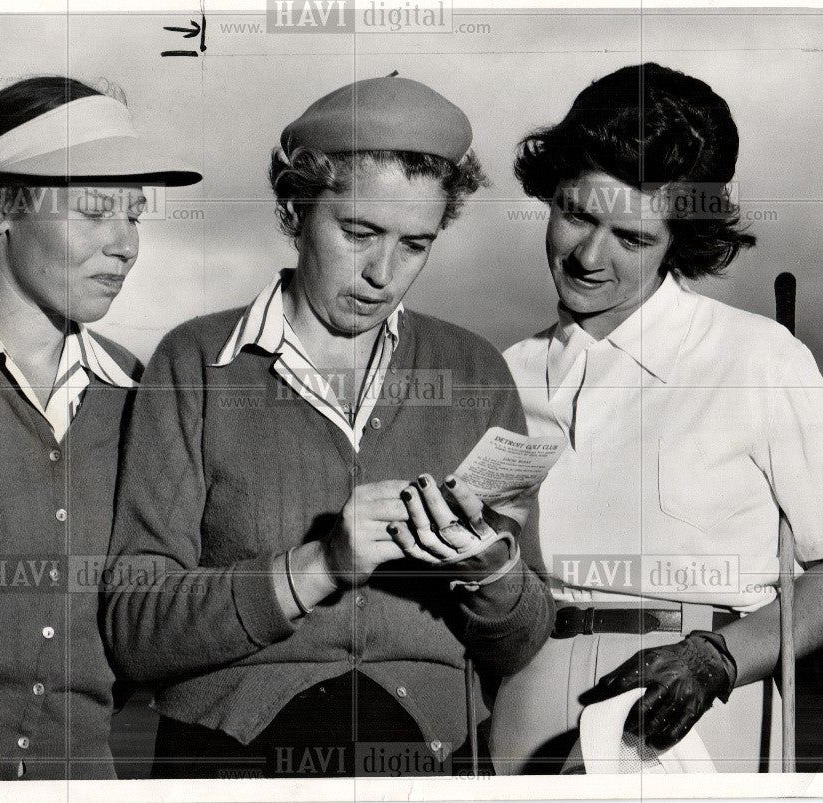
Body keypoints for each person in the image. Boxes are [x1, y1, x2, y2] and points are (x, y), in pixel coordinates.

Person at [102, 74, 555, 779]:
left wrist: (491, 570)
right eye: (359, 232)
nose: (383, 272)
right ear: (295, 206)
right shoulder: (195, 363)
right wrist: (320, 566)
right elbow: (133, 625)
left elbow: (522, 640)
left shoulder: (474, 372)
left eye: (415, 245)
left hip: (434, 759)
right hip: (230, 760)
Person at [491, 62, 823, 774]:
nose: (589, 255)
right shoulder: (501, 372)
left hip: (695, 710)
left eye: (632, 237)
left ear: (681, 240)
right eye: (577, 214)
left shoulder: (759, 358)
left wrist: (718, 657)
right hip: (524, 704)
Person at [0, 76, 201, 781]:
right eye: (95, 211)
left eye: (135, 215)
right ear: (1, 205)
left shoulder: (137, 389)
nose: (126, 246)